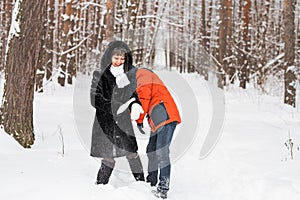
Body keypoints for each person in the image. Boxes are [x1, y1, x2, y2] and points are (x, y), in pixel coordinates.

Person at [90, 40, 145, 185]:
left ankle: (142, 184)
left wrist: (135, 104)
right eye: (116, 58)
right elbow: (94, 99)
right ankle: (100, 187)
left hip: (123, 121)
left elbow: (132, 94)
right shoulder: (99, 74)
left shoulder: (128, 76)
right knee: (108, 156)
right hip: (105, 120)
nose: (119, 62)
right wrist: (116, 106)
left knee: (132, 153)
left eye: (122, 59)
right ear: (109, 57)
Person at [134, 68, 181, 199]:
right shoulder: (139, 79)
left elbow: (143, 98)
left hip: (165, 115)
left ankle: (163, 189)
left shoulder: (143, 74)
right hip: (157, 119)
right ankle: (151, 181)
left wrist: (138, 119)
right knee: (151, 150)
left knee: (161, 153)